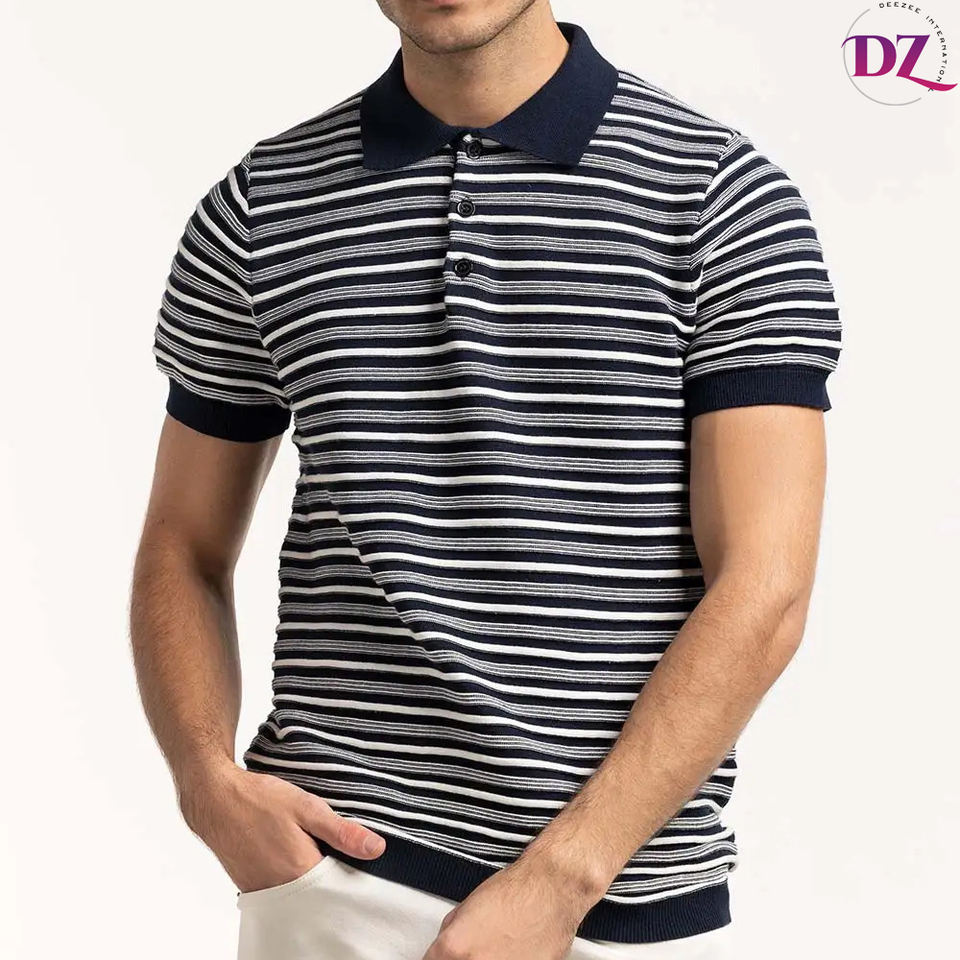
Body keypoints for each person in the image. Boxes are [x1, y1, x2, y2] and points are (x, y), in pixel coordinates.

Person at [130, 2, 842, 958]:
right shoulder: (263, 207)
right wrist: (205, 782)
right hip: (334, 874)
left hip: (611, 904)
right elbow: (184, 539)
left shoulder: (719, 197)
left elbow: (766, 586)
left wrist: (562, 879)